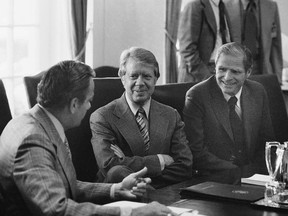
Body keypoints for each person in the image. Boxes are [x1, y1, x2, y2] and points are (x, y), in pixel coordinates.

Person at [0, 60, 176, 216]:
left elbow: (62, 184)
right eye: (89, 100)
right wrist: (130, 212)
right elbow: (56, 210)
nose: (90, 106)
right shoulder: (33, 140)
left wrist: (116, 189)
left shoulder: (37, 122)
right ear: (74, 104)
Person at [90, 47, 193, 189]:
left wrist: (127, 162)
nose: (140, 83)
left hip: (161, 193)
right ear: (122, 76)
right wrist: (160, 160)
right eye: (134, 76)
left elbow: (185, 166)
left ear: (156, 78)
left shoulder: (171, 115)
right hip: (120, 197)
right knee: (117, 171)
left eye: (147, 76)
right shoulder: (102, 117)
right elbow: (109, 165)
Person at [183, 42, 275, 181]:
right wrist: (239, 172)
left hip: (254, 176)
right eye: (222, 69)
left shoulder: (257, 91)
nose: (226, 77)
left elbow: (267, 142)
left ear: (248, 72)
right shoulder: (197, 95)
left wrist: (255, 174)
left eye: (235, 71)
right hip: (214, 178)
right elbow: (196, 152)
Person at [178, 0, 241, 83]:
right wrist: (206, 77)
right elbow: (187, 50)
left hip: (220, 69)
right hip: (199, 74)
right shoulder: (194, 6)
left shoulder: (222, 6)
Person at [239, 0, 282, 83]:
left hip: (262, 68)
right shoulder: (226, 4)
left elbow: (275, 46)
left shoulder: (271, 6)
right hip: (237, 67)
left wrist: (278, 78)